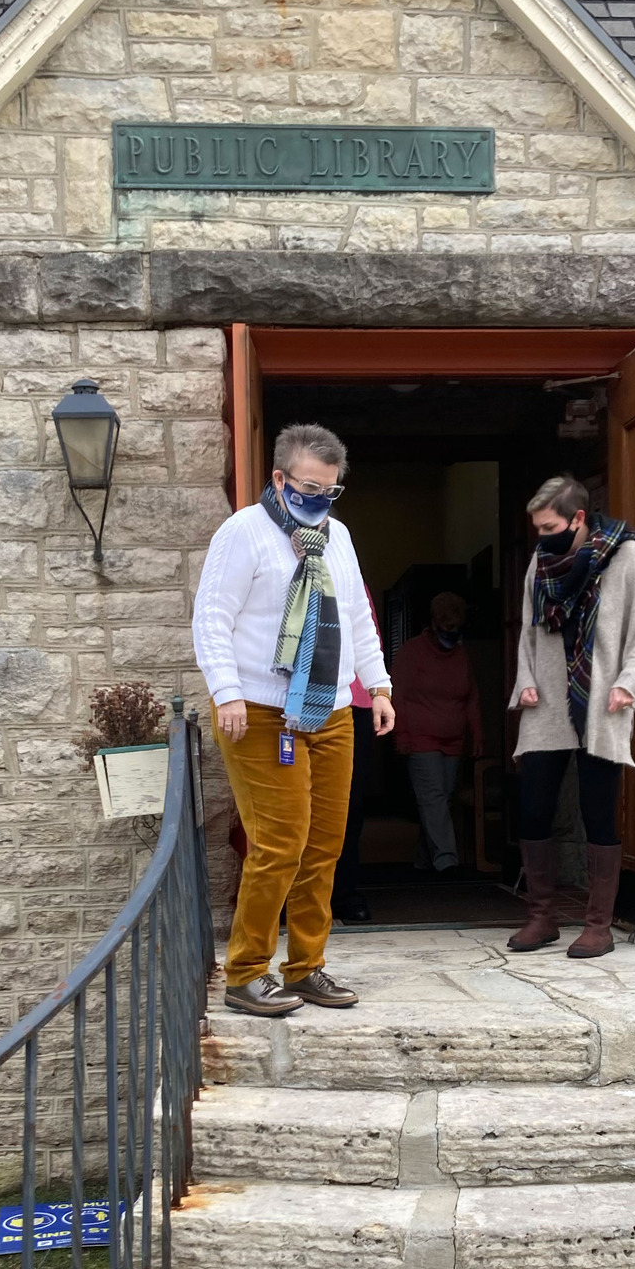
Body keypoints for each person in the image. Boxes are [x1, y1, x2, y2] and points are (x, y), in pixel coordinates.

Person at [193, 423, 395, 1017]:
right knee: (280, 843)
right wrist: (226, 692)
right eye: (310, 487)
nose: (320, 499)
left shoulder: (338, 537)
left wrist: (377, 685)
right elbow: (212, 617)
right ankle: (246, 971)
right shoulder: (243, 533)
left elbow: (357, 614)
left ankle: (307, 965)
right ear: (279, 479)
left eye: (332, 491)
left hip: (330, 707)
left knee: (325, 845)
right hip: (258, 708)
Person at [508, 474, 635, 958]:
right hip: (548, 700)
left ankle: (598, 925)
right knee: (533, 807)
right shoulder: (540, 561)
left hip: (602, 699)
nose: (541, 537)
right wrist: (524, 679)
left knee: (598, 812)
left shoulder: (626, 556)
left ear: (577, 518)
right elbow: (530, 630)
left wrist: (627, 686)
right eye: (536, 528)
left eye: (548, 526)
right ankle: (541, 917)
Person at [392, 590, 484, 876]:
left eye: (456, 630)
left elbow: (471, 697)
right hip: (421, 740)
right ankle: (447, 862)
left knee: (440, 800)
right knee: (433, 799)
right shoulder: (412, 652)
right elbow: (398, 695)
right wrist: (402, 737)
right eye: (446, 630)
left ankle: (424, 860)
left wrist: (477, 735)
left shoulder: (461, 655)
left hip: (454, 741)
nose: (451, 635)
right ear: (433, 624)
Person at [331, 584, 381, 925]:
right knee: (297, 808)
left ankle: (344, 894)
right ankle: (297, 899)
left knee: (348, 806)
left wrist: (381, 692)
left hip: (354, 704)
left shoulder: (352, 579)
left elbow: (369, 638)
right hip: (294, 702)